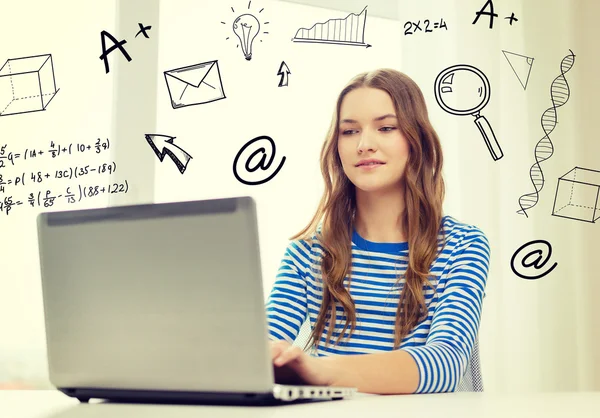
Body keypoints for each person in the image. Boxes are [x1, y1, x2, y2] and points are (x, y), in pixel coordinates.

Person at [265, 68, 491, 395]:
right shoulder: (309, 251)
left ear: (417, 140)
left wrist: (321, 371)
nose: (364, 144)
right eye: (349, 131)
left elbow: (446, 363)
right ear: (336, 146)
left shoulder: (463, 246)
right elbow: (266, 347)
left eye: (386, 128)